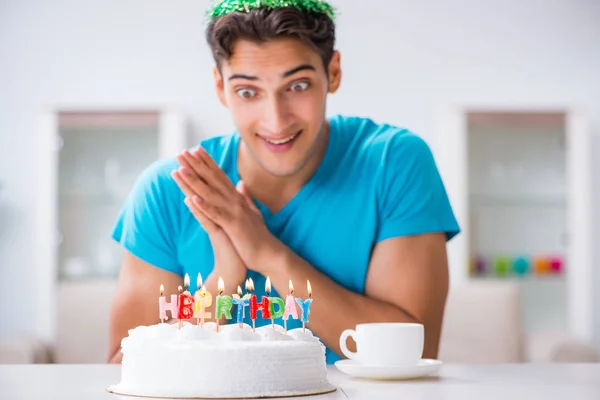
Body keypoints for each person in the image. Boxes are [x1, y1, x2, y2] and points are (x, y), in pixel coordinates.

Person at [107, 0, 460, 365]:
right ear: (220, 87)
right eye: (248, 91)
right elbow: (121, 368)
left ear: (333, 72)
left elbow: (413, 354)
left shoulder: (392, 163)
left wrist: (268, 254)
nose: (276, 121)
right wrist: (224, 278)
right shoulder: (166, 191)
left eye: (298, 85)